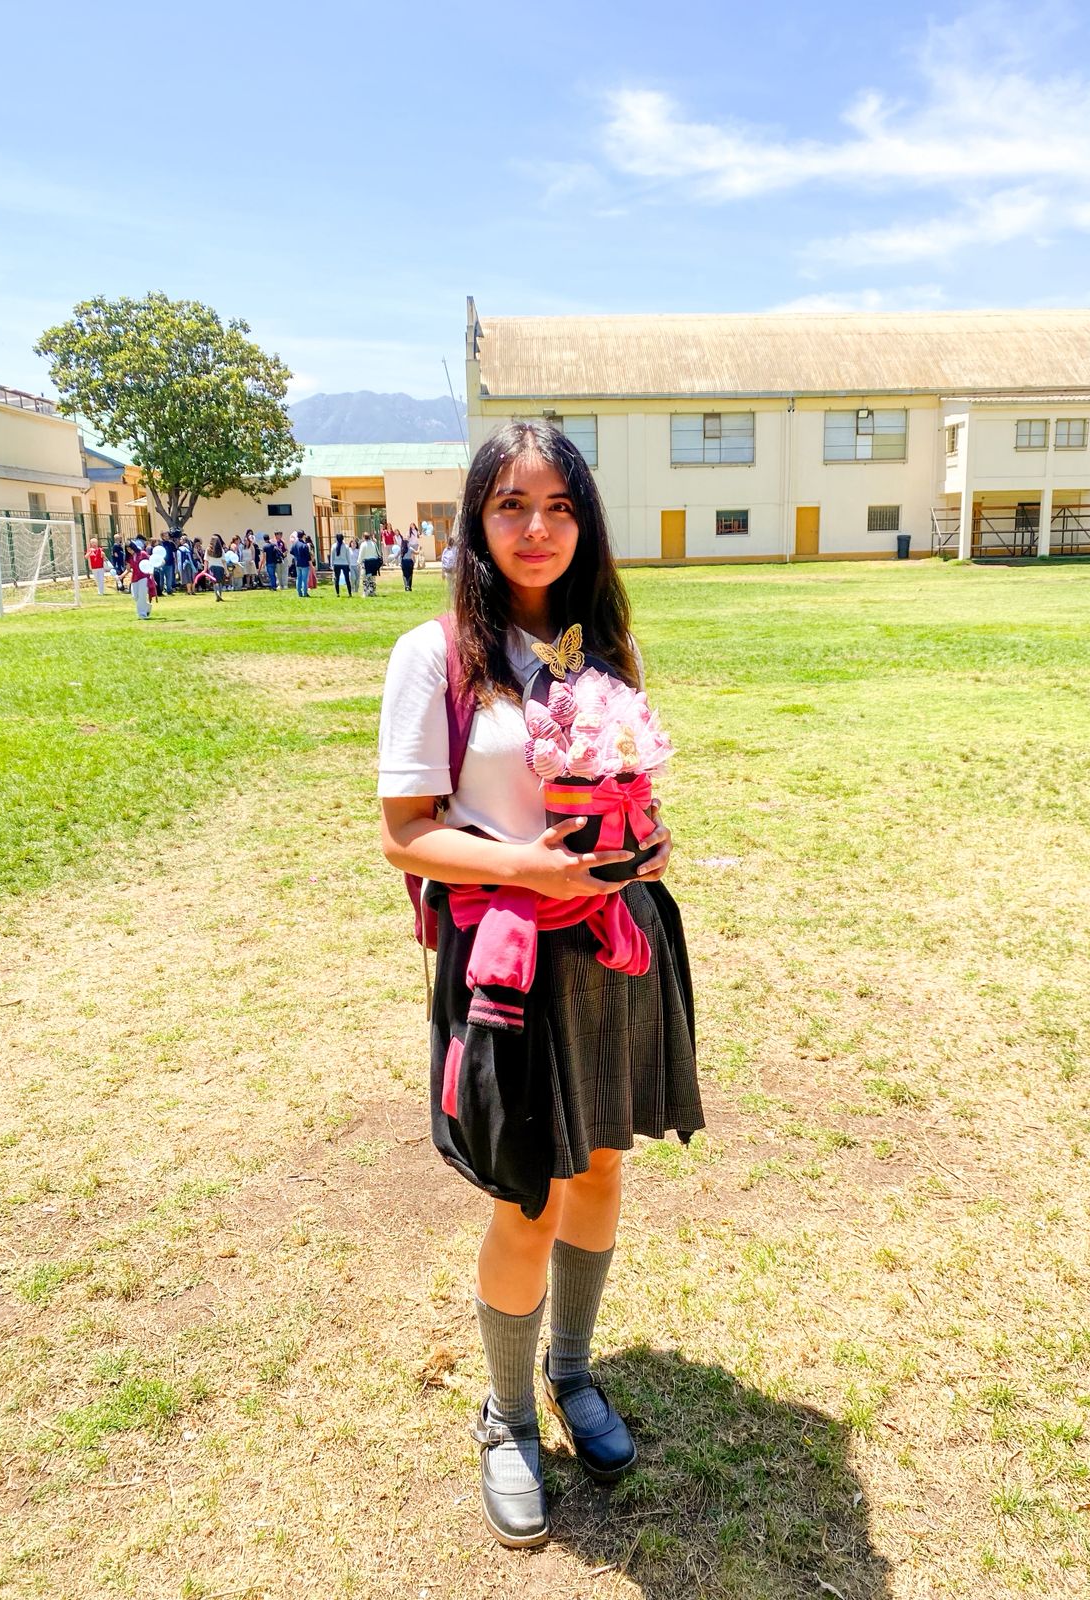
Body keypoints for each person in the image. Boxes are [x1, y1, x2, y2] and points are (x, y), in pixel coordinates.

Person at [378, 420, 703, 1549]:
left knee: (601, 1163)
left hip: (609, 941)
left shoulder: (600, 642)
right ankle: (507, 1411)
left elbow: (620, 788)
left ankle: (571, 1369)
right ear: (477, 518)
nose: (536, 528)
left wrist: (643, 843)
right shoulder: (434, 656)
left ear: (585, 522)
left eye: (560, 505)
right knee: (527, 1194)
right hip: (509, 963)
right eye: (511, 504)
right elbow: (405, 833)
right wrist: (528, 866)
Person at [127, 541, 152, 619]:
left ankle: (142, 614)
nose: (129, 551)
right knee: (135, 596)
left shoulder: (142, 554)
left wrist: (151, 573)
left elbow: (150, 562)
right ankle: (147, 607)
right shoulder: (129, 557)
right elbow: (128, 569)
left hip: (144, 576)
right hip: (135, 578)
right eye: (127, 549)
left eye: (130, 549)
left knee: (142, 595)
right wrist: (121, 576)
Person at [358, 527, 381, 597]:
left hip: (366, 562)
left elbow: (361, 554)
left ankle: (365, 592)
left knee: (365, 578)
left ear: (363, 537)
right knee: (372, 578)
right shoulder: (374, 543)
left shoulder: (363, 544)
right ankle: (372, 591)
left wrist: (358, 562)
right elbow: (378, 553)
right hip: (373, 562)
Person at [290, 531, 312, 597]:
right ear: (303, 536)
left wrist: (297, 556)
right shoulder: (304, 545)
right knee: (304, 579)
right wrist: (311, 565)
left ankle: (299, 593)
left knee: (298, 578)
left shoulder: (295, 544)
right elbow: (308, 556)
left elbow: (291, 551)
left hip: (298, 563)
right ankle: (305, 593)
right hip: (304, 564)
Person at [206, 535, 226, 602]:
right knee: (220, 582)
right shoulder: (221, 550)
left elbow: (206, 560)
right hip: (220, 567)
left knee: (214, 582)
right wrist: (226, 570)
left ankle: (217, 595)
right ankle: (220, 595)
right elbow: (224, 561)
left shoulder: (208, 549)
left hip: (212, 567)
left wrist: (205, 570)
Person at [400, 525, 417, 593]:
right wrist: (419, 548)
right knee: (410, 574)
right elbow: (417, 552)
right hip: (410, 562)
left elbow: (396, 556)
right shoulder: (410, 548)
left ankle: (406, 586)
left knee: (404, 575)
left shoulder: (401, 549)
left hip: (404, 562)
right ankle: (409, 586)